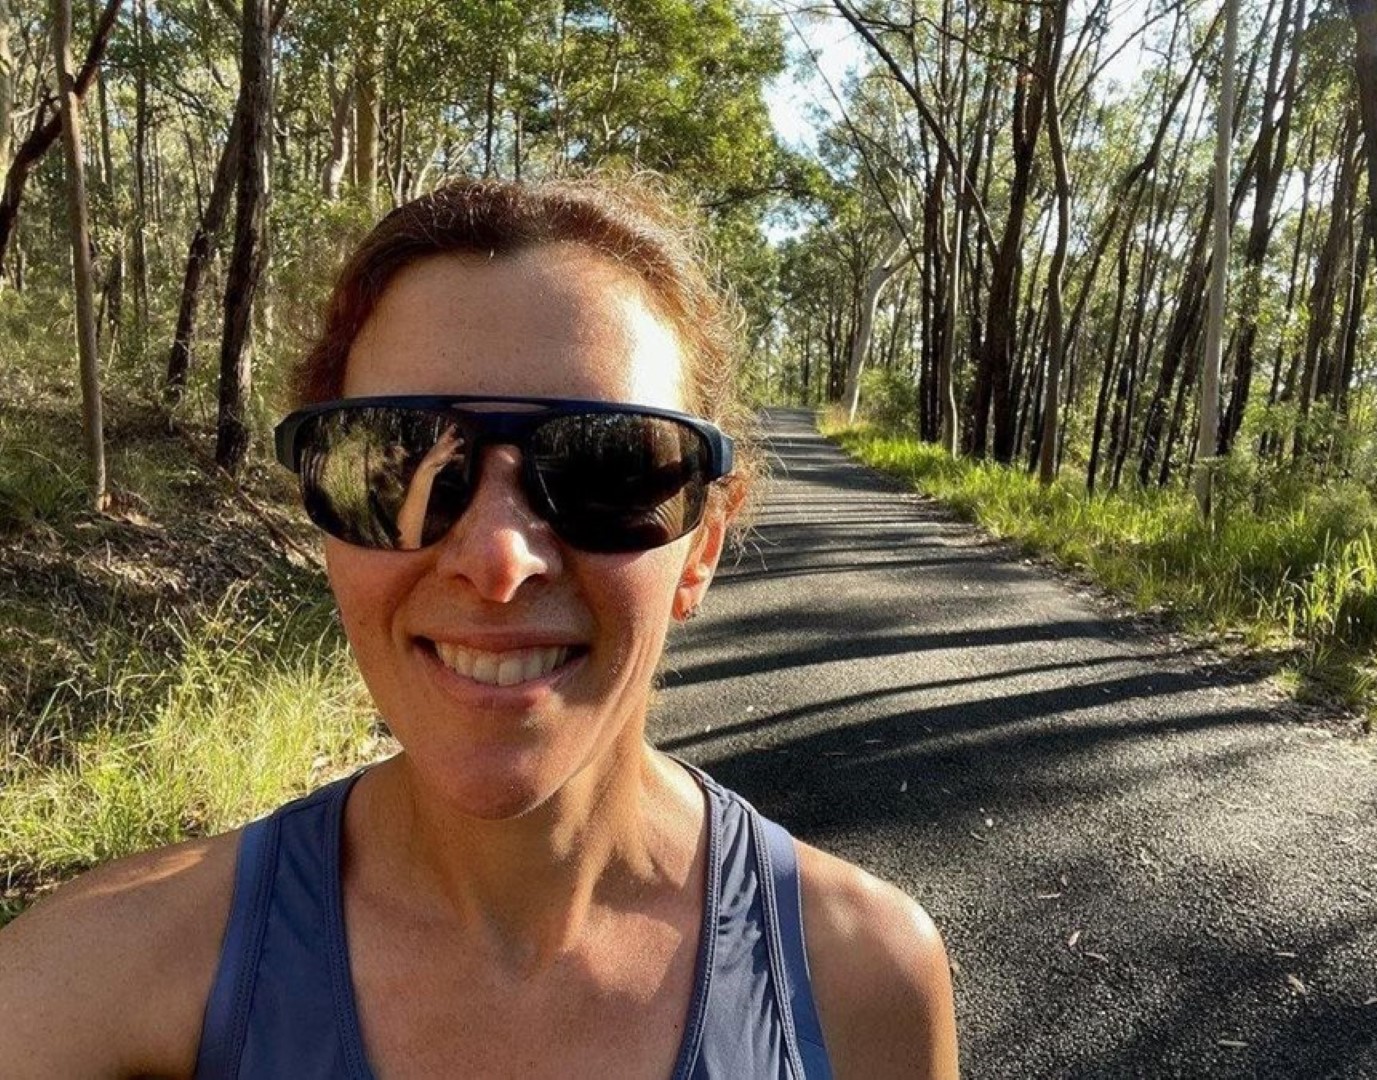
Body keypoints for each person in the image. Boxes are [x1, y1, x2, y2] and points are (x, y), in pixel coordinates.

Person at [0, 178, 959, 1078]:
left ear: (701, 547)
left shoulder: (862, 985)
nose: (499, 559)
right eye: (400, 462)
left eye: (611, 469)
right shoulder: (86, 992)